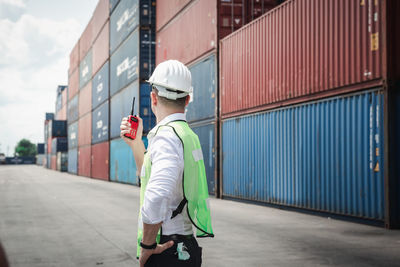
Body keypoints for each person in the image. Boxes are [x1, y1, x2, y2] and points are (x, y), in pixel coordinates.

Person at [120, 60, 214, 267]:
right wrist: (136, 143)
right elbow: (148, 177)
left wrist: (147, 246)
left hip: (167, 248)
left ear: (153, 98)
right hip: (185, 246)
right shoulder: (186, 135)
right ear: (188, 99)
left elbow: (156, 195)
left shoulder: (166, 137)